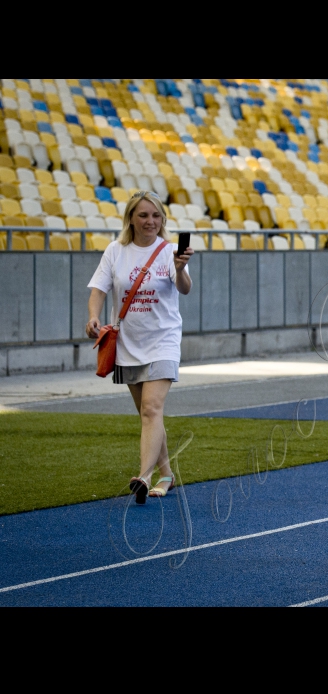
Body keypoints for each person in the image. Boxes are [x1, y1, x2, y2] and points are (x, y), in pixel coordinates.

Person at [86, 191, 194, 504]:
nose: (150, 221)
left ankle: (143, 477)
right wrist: (93, 316)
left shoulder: (170, 250)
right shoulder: (115, 251)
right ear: (131, 217)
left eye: (156, 216)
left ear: (163, 220)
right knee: (148, 415)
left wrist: (180, 267)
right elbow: (99, 289)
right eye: (144, 215)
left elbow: (185, 289)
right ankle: (166, 473)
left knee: (151, 408)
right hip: (129, 342)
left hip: (163, 340)